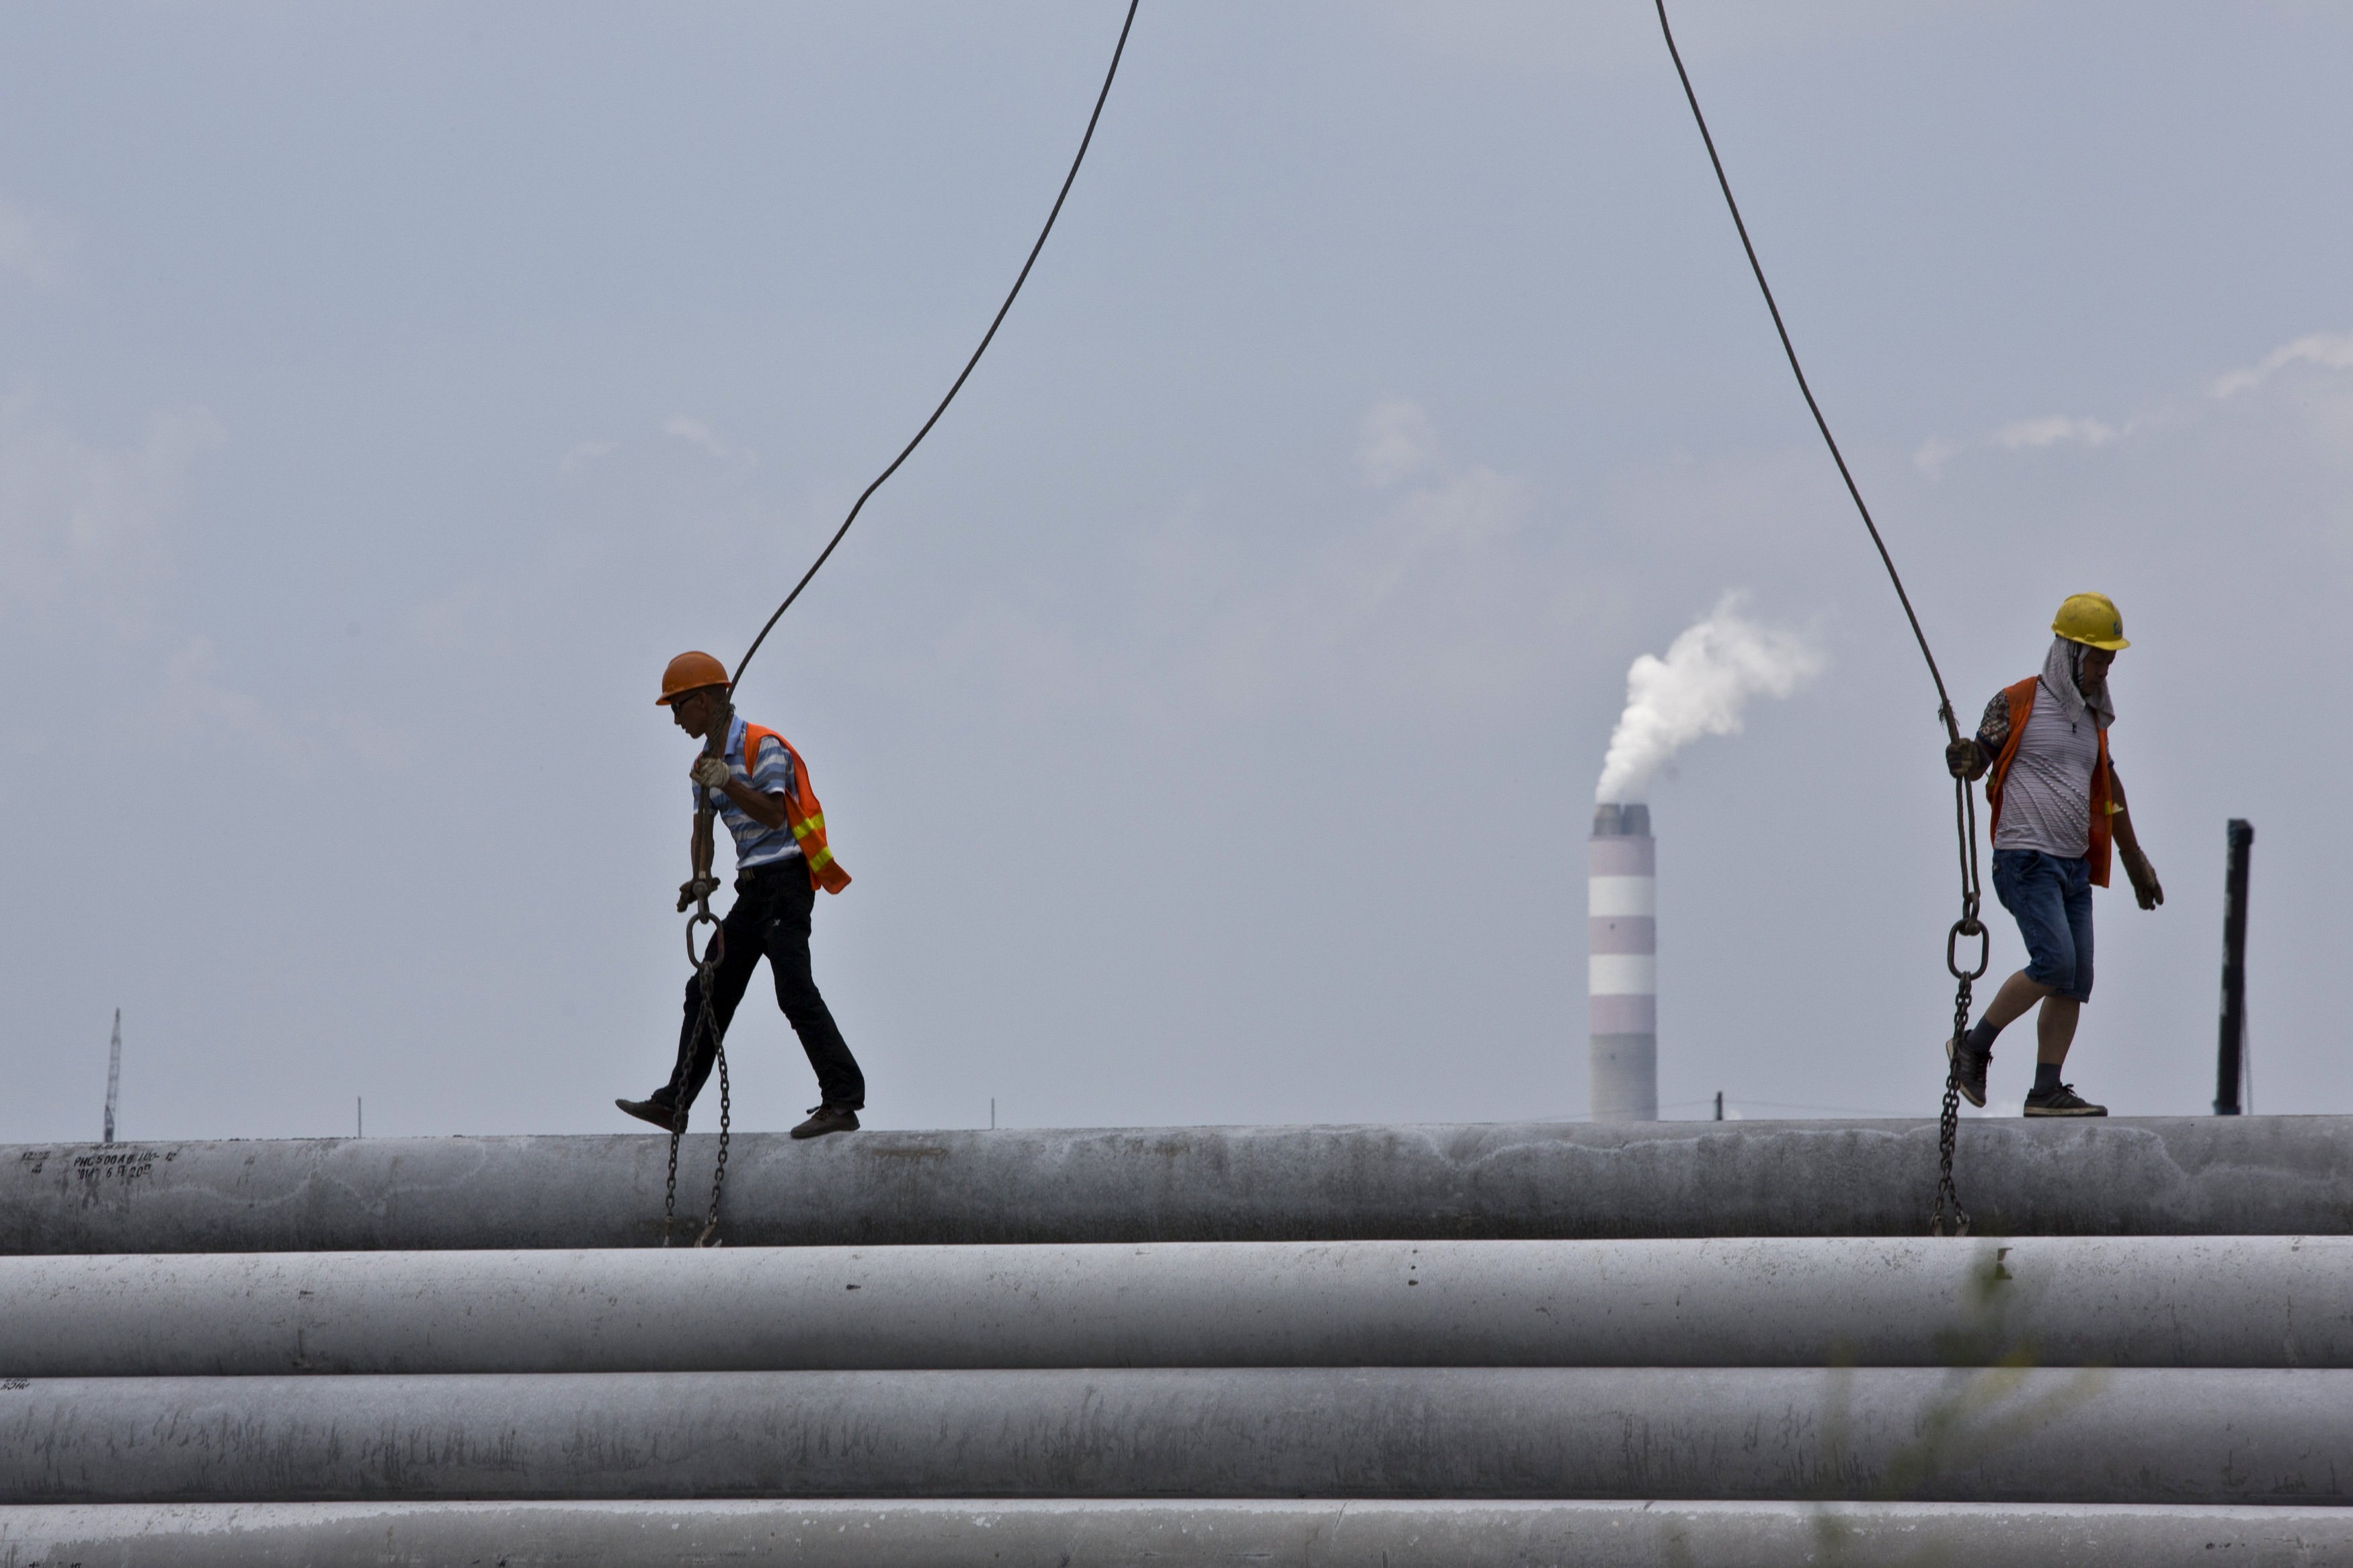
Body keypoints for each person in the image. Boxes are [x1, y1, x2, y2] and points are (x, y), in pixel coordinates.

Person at [617, 651, 865, 1141]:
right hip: (752, 891)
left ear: (704, 701)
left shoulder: (761, 747)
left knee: (794, 992)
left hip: (785, 885)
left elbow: (774, 816)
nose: (674, 719)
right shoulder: (704, 763)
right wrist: (701, 876)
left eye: (679, 706)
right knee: (707, 988)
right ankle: (676, 1104)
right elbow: (703, 828)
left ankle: (843, 1100)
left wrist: (729, 779)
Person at [1942, 593, 2162, 1117]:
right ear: (2067, 653)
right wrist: (1967, 757)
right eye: (2098, 656)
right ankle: (1971, 1048)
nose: (2106, 667)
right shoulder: (2017, 701)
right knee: (2055, 962)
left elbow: (2108, 784)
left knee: (2076, 976)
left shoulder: (2093, 719)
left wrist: (2133, 858)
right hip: (2025, 861)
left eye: (2110, 658)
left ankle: (2046, 1089)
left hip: (2072, 869)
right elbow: (1980, 758)